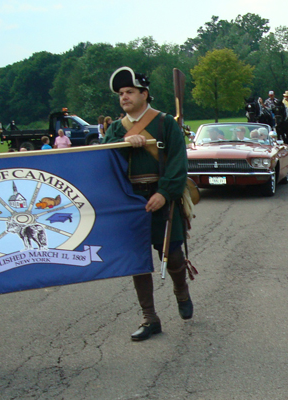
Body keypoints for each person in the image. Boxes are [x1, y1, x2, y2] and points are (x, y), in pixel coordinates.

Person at [103, 66, 192, 341]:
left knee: (173, 254)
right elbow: (104, 161)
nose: (124, 97)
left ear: (145, 94)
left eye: (129, 91)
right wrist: (122, 142)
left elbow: (178, 162)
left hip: (164, 198)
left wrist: (164, 193)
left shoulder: (165, 124)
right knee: (138, 262)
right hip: (131, 203)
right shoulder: (116, 129)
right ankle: (150, 317)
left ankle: (181, 291)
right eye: (121, 93)